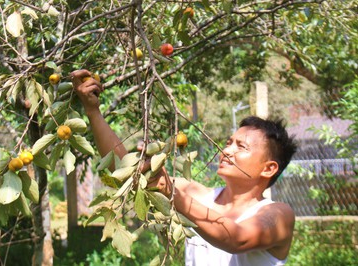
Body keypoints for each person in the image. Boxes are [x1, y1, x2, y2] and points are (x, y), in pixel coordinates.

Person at [71, 69, 298, 266]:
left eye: (242, 146)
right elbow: (123, 168)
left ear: (268, 168)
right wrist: (93, 111)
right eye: (228, 143)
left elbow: (236, 238)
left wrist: (171, 193)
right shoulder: (196, 194)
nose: (227, 151)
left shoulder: (278, 215)